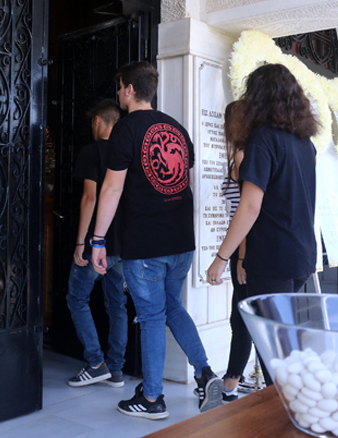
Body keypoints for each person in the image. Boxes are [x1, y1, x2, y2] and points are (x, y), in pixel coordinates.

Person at [91, 61, 223, 420]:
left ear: (130, 90)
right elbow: (186, 184)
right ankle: (205, 373)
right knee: (172, 306)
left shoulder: (125, 129)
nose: (119, 93)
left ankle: (151, 398)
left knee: (151, 316)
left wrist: (98, 239)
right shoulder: (177, 128)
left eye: (120, 86)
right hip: (181, 240)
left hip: (146, 242)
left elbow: (112, 188)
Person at [205, 63, 319, 388]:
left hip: (272, 259)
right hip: (301, 257)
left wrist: (221, 258)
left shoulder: (262, 139)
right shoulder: (304, 143)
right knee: (282, 347)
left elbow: (250, 206)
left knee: (273, 355)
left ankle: (281, 414)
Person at [66, 100, 127, 388]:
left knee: (77, 298)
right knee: (117, 305)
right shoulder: (126, 152)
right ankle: (116, 369)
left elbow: (90, 198)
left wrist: (82, 242)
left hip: (98, 242)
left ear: (98, 121)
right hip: (123, 244)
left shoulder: (92, 152)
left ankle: (95, 363)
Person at [219, 100, 263, 401]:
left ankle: (231, 381)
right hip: (243, 246)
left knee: (241, 316)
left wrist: (241, 258)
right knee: (243, 315)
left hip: (244, 248)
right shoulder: (247, 155)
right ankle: (234, 378)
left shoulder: (242, 156)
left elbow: (246, 213)